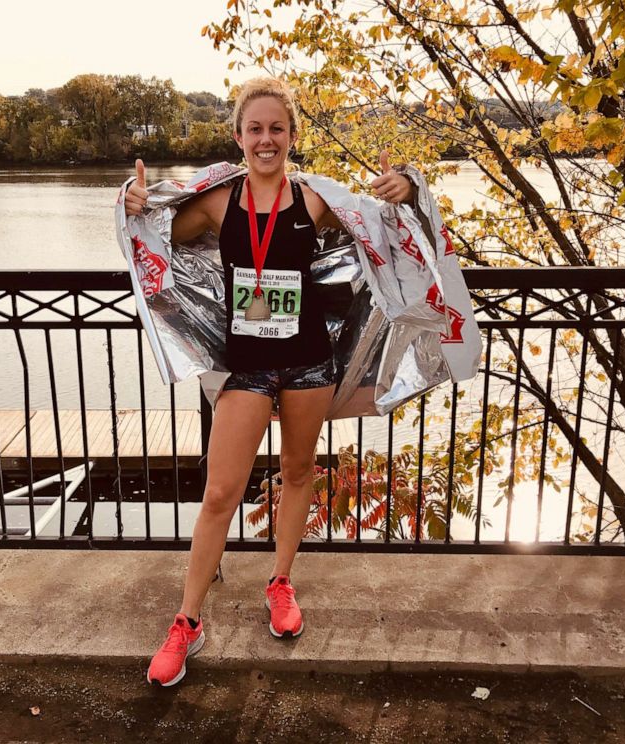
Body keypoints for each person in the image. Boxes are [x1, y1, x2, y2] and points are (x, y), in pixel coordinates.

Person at [123, 76, 414, 687]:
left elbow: (386, 227)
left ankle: (280, 583)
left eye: (276, 128)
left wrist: (407, 187)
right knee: (220, 494)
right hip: (248, 368)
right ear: (237, 136)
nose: (266, 139)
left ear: (292, 136)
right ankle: (188, 620)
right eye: (254, 128)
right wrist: (132, 200)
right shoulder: (216, 202)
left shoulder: (313, 199)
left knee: (300, 474)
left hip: (311, 361)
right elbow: (150, 237)